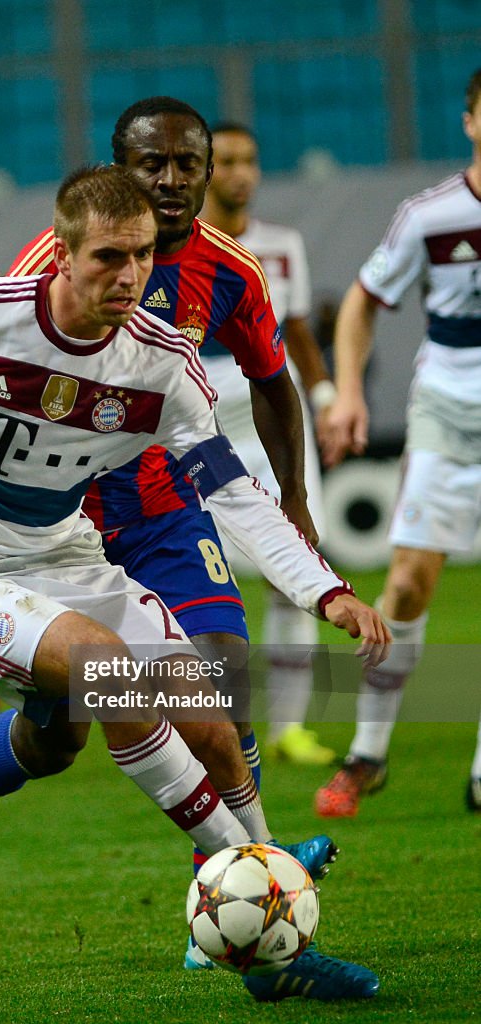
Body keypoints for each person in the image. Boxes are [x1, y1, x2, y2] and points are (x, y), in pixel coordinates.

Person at [0, 165, 388, 1003]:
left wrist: (323, 590)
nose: (129, 275)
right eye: (107, 257)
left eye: (140, 257)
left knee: (193, 724)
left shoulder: (164, 364)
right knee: (108, 670)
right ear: (59, 255)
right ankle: (252, 909)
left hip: (65, 560)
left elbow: (226, 485)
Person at [8, 97, 349, 978]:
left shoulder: (231, 271)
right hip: (63, 524)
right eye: (148, 165)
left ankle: (234, 888)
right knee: (58, 738)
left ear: (205, 170)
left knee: (220, 681)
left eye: (183, 165)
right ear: (118, 168)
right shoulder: (53, 262)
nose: (167, 181)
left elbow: (275, 385)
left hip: (166, 508)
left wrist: (295, 503)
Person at [316, 66, 481, 817]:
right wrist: (349, 390)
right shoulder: (428, 215)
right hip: (445, 410)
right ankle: (367, 753)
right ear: (469, 121)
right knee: (408, 583)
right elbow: (360, 301)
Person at [200, 122, 337, 766]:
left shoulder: (281, 247)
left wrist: (330, 399)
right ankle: (201, 721)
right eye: (225, 160)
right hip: (195, 409)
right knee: (193, 571)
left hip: (268, 403)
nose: (240, 172)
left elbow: (298, 332)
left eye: (249, 160)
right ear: (203, 170)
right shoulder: (171, 247)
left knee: (295, 562)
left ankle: (288, 726)